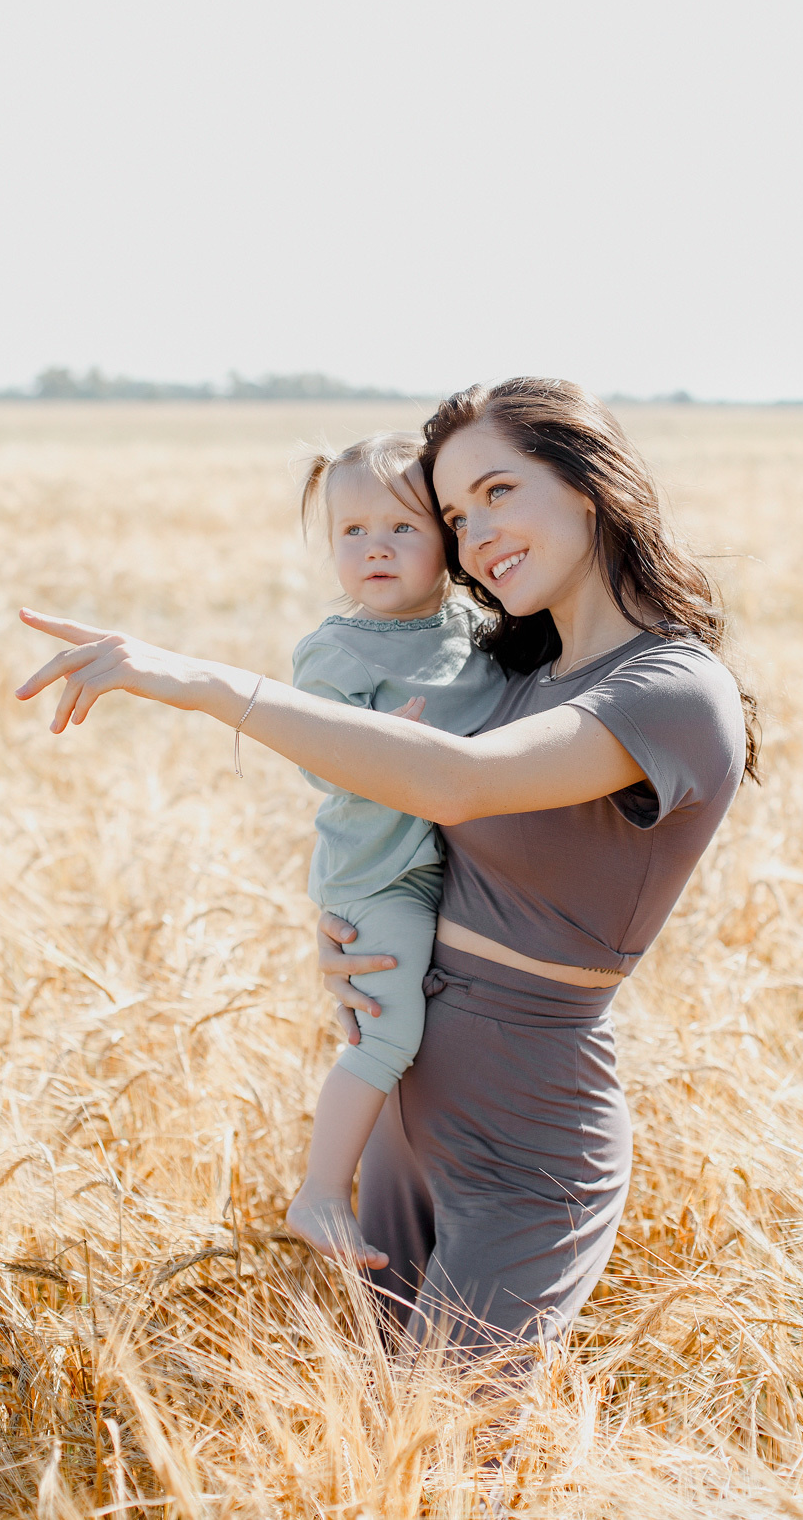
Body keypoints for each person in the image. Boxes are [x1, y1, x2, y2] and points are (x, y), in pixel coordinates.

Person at [15, 376, 758, 1361]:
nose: (474, 532)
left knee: (458, 1436)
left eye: (498, 491)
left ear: (586, 487)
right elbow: (410, 824)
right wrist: (352, 927)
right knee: (385, 1440)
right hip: (407, 1104)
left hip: (526, 1129)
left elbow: (451, 783)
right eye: (453, 513)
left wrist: (196, 681)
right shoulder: (517, 674)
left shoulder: (671, 688)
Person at [285, 433, 504, 1268]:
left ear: (447, 543)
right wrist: (378, 743)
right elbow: (310, 755)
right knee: (386, 1036)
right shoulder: (336, 650)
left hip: (449, 861)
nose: (374, 546)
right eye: (351, 532)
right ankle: (320, 1194)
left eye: (402, 529)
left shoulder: (473, 628)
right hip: (381, 873)